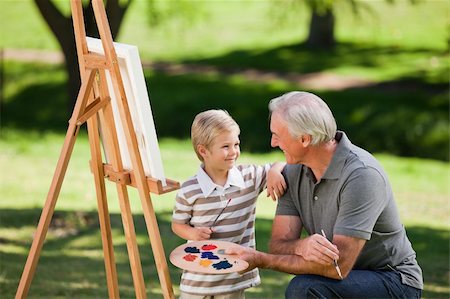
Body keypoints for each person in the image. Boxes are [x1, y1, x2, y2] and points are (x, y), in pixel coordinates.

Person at [229, 91, 423, 298]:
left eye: (277, 135)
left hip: (393, 280)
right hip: (346, 277)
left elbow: (337, 266)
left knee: (305, 288)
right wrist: (301, 245)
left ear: (305, 139)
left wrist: (261, 260)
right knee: (306, 286)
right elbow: (279, 245)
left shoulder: (362, 176)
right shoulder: (293, 172)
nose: (273, 143)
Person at [171, 109, 286, 299]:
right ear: (203, 151)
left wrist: (275, 171)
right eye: (226, 146)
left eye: (236, 144)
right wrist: (192, 233)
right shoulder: (189, 190)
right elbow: (177, 224)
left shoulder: (249, 178)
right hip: (198, 281)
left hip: (233, 279)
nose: (233, 151)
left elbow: (282, 163)